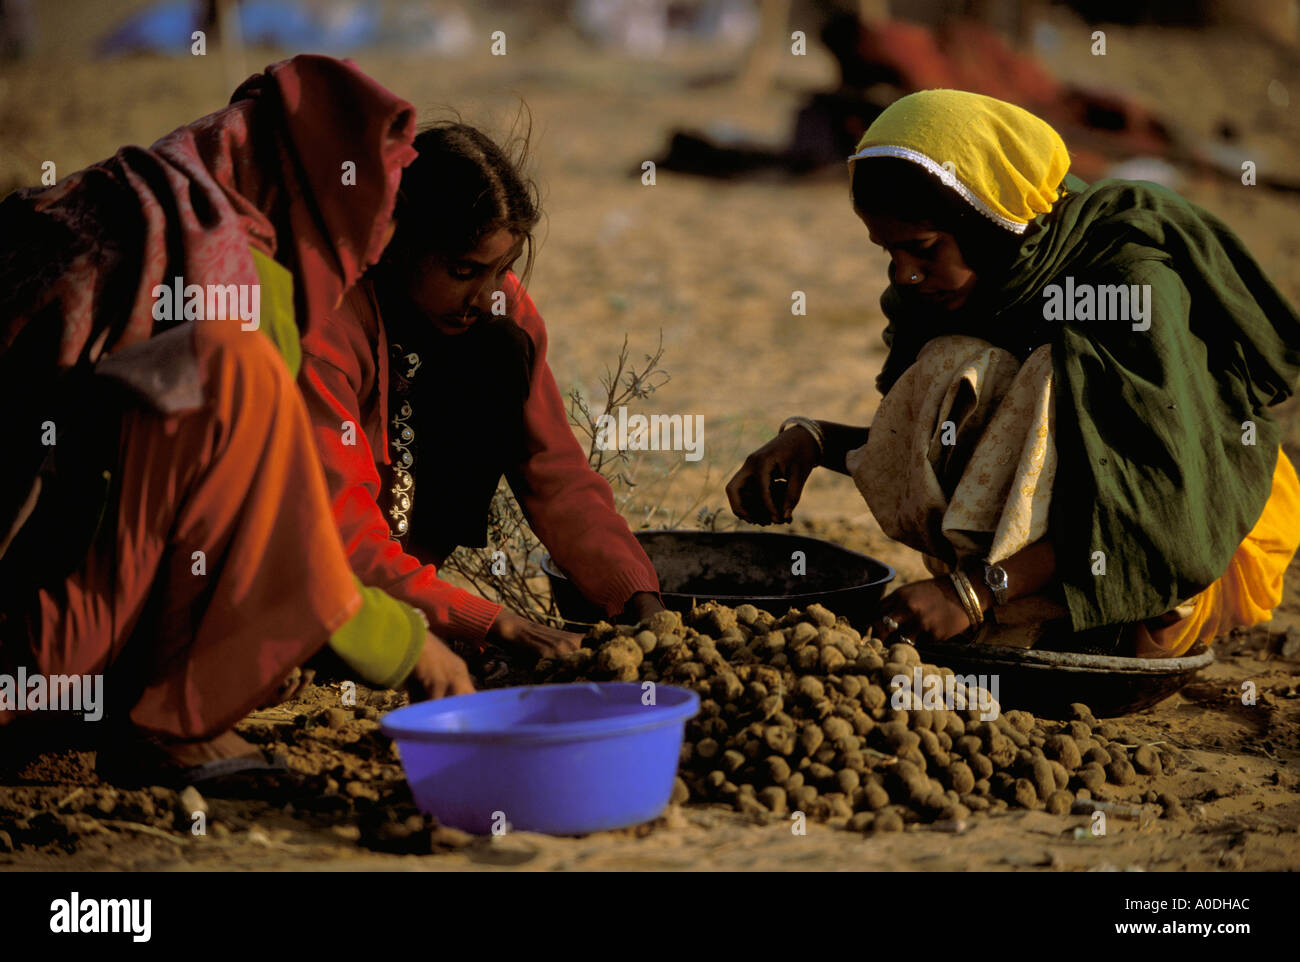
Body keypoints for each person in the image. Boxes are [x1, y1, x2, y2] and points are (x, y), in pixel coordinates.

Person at [0, 56, 473, 779]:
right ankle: (175, 719)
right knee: (238, 383)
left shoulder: (148, 201)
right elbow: (291, 525)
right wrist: (405, 645)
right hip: (37, 646)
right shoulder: (238, 293)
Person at [727, 88, 1300, 657]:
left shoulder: (1124, 284)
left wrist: (974, 592)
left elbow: (1161, 512)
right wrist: (812, 440)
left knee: (1050, 369)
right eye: (888, 253)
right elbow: (935, 444)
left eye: (923, 248)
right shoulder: (958, 291)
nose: (905, 275)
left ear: (988, 221)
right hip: (1035, 562)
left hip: (1185, 546)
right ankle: (1017, 606)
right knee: (953, 365)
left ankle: (1062, 615)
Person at [298, 120, 665, 662]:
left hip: (395, 569)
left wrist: (638, 596)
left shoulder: (500, 314)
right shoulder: (327, 329)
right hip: (304, 572)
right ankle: (381, 618)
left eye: (503, 270)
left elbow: (555, 475)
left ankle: (413, 595)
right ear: (399, 245)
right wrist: (498, 625)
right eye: (464, 270)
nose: (485, 295)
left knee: (498, 348)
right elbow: (337, 528)